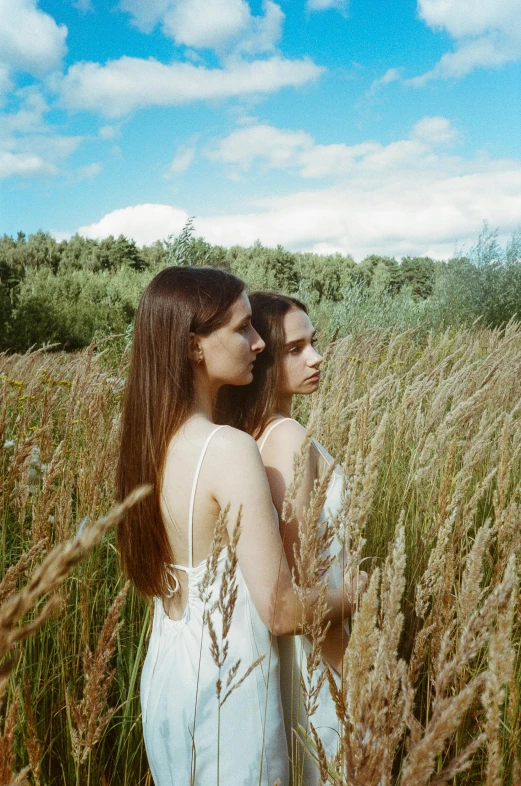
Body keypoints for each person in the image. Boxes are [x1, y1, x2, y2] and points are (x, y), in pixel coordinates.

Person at [116, 268, 363, 786]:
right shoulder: (228, 448)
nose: (258, 344)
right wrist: (365, 591)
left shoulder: (152, 442)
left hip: (171, 668)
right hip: (229, 682)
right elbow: (281, 610)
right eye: (242, 329)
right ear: (194, 348)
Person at [217, 291, 362, 786]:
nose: (316, 358)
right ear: (263, 359)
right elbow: (309, 582)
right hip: (322, 660)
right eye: (296, 349)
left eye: (313, 343)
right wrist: (354, 681)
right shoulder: (285, 439)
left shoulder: (247, 435)